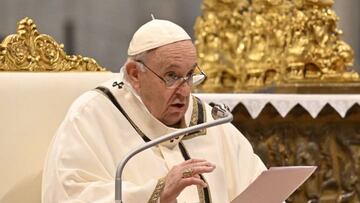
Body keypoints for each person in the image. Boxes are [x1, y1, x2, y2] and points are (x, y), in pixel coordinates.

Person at [42, 19, 266, 203]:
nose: (185, 91)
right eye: (172, 76)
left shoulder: (208, 120)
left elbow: (258, 184)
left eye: (190, 75)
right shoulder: (92, 116)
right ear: (135, 75)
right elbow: (70, 194)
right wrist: (155, 193)